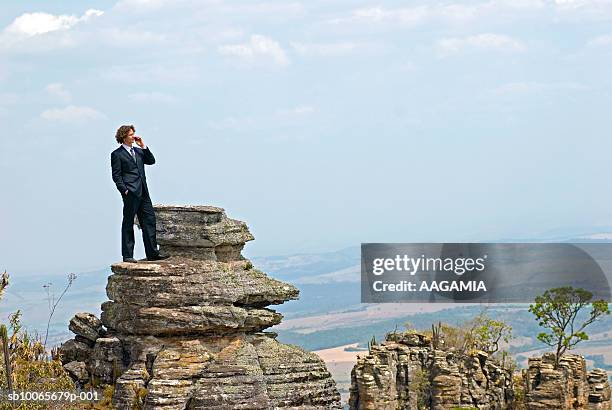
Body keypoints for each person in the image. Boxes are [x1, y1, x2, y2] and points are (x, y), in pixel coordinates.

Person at [110, 125, 169, 263]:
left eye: (133, 134)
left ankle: (152, 254)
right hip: (130, 193)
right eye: (131, 134)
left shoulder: (138, 151)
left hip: (144, 192)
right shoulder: (116, 154)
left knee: (149, 221)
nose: (134, 136)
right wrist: (124, 190)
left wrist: (143, 146)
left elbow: (151, 161)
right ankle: (128, 255)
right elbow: (116, 176)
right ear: (124, 137)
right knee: (128, 223)